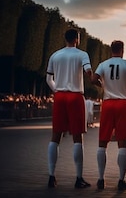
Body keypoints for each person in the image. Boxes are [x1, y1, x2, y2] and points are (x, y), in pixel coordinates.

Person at [45, 28, 93, 189]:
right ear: (77, 39)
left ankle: (51, 176)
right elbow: (88, 72)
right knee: (77, 137)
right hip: (75, 96)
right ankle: (79, 178)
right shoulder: (82, 55)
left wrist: (57, 90)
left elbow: (48, 78)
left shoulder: (55, 55)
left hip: (59, 96)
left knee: (55, 136)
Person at [91, 40, 126, 191]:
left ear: (111, 50)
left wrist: (104, 86)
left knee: (103, 141)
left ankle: (100, 179)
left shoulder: (103, 64)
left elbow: (93, 79)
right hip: (123, 103)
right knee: (122, 143)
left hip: (108, 103)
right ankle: (121, 180)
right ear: (122, 50)